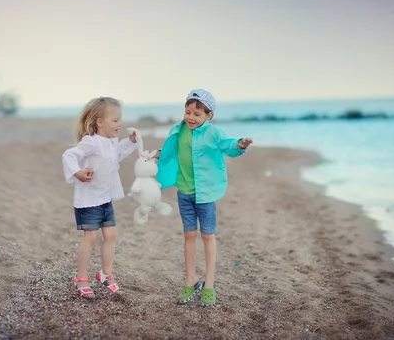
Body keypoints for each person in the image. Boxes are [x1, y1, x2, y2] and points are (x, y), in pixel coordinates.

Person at [156, 89, 253, 306]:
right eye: (187, 111)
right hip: (184, 192)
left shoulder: (214, 133)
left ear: (208, 116)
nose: (190, 117)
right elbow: (171, 150)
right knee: (188, 235)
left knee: (207, 236)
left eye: (196, 114)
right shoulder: (178, 130)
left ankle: (209, 283)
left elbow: (228, 146)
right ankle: (191, 279)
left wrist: (240, 145)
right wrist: (156, 154)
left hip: (205, 194)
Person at [62, 96, 138, 299]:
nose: (119, 124)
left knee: (111, 236)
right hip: (88, 200)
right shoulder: (91, 142)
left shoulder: (112, 142)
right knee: (91, 237)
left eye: (120, 119)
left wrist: (130, 143)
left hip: (105, 199)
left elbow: (118, 154)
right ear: (100, 122)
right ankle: (81, 277)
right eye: (115, 120)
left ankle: (105, 273)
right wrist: (77, 172)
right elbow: (69, 156)